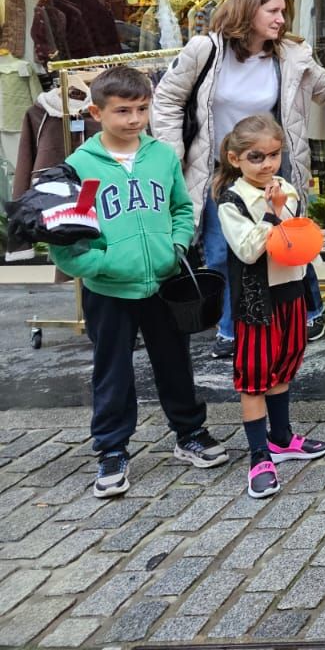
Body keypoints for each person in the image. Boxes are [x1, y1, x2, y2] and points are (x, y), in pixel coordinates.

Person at [56, 66, 227, 497]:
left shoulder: (162, 156)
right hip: (108, 291)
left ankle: (189, 433)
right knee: (112, 371)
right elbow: (64, 239)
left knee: (175, 363)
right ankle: (112, 449)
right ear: (96, 112)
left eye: (142, 109)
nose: (134, 119)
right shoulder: (78, 168)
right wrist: (102, 264)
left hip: (163, 283)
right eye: (123, 111)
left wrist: (177, 244)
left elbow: (182, 209)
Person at [152, 0, 325, 357]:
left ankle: (310, 311)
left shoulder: (291, 55)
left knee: (286, 242)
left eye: (283, 11)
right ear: (247, 11)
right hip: (216, 167)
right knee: (221, 250)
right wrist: (171, 155)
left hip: (271, 167)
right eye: (272, 10)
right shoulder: (205, 51)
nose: (281, 18)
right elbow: (167, 99)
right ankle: (232, 326)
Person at [214, 114, 325, 499]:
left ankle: (281, 438)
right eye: (256, 157)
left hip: (290, 290)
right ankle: (259, 454)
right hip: (256, 300)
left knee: (284, 363)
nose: (267, 164)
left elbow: (296, 237)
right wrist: (270, 213)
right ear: (235, 159)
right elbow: (248, 249)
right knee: (254, 376)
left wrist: (287, 211)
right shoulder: (232, 200)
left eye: (274, 155)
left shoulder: (285, 188)